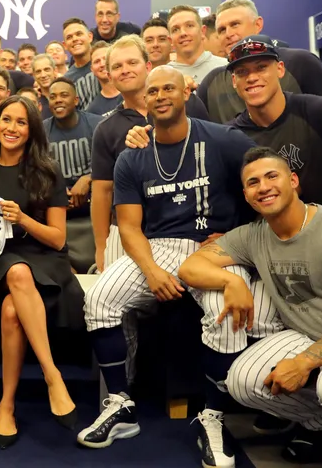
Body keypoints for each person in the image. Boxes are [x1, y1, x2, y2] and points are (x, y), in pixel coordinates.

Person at [79, 67, 268, 468]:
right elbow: (129, 227)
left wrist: (237, 234)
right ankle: (121, 404)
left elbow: (262, 182)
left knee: (226, 311)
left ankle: (212, 418)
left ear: (185, 93)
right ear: (143, 101)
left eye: (169, 88)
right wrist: (150, 271)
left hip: (214, 246)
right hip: (157, 245)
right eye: (153, 91)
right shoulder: (132, 156)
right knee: (99, 299)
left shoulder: (222, 138)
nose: (161, 95)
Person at [179, 147, 322, 464]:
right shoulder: (253, 235)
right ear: (246, 196)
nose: (263, 187)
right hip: (307, 334)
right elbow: (190, 268)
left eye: (272, 176)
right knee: (243, 381)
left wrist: (304, 362)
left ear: (293, 180)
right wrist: (231, 282)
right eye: (253, 182)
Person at [0, 95, 83, 448]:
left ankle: (6, 405)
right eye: (5, 120)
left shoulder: (48, 171)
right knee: (17, 274)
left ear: (32, 130)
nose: (12, 128)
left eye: (21, 122)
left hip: (44, 255)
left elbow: (57, 240)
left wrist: (23, 219)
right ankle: (52, 376)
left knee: (12, 310)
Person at [90, 35, 209, 273]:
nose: (125, 70)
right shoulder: (105, 129)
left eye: (131, 63)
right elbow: (102, 192)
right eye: (117, 66)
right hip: (124, 230)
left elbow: (210, 164)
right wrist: (101, 246)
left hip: (187, 225)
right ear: (110, 76)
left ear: (147, 66)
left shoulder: (189, 105)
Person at [225, 36, 322, 207]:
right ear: (234, 81)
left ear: (280, 69)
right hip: (270, 232)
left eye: (261, 67)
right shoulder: (229, 139)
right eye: (242, 72)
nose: (252, 78)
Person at [198, 0, 322, 124]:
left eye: (235, 24)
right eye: (222, 30)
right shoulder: (211, 82)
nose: (228, 34)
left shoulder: (300, 62)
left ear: (258, 24)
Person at [44, 78, 103, 272]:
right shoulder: (42, 131)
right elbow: (35, 172)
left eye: (64, 95)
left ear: (76, 100)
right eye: (52, 97)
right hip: (59, 210)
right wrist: (58, 196)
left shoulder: (97, 124)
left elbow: (114, 164)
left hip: (96, 206)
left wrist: (88, 178)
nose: (58, 100)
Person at [167, 5, 228, 84]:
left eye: (189, 26)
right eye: (175, 29)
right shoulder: (162, 76)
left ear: (202, 31)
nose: (183, 33)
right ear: (170, 40)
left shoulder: (226, 67)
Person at [63, 18, 100, 111]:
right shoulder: (66, 80)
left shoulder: (107, 63)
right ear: (65, 45)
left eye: (79, 34)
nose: (75, 39)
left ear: (90, 37)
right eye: (69, 37)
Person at [86, 41, 122, 117]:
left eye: (105, 59)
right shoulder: (93, 110)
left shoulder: (131, 91)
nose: (102, 64)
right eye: (97, 61)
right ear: (92, 69)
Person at [31, 54, 58, 119]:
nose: (43, 75)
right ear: (34, 75)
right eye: (38, 71)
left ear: (55, 71)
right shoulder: (33, 101)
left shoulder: (68, 94)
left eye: (47, 69)